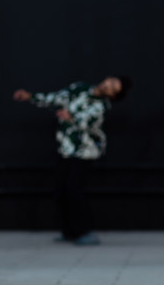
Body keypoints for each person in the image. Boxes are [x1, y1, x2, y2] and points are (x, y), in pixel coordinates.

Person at [12, 76, 132, 246]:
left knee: (75, 190)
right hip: (65, 149)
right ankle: (69, 231)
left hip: (84, 152)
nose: (107, 85)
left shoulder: (100, 106)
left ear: (112, 95)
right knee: (61, 190)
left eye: (112, 87)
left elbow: (86, 121)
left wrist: (71, 116)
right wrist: (30, 97)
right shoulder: (80, 89)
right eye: (110, 81)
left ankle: (83, 231)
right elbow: (56, 98)